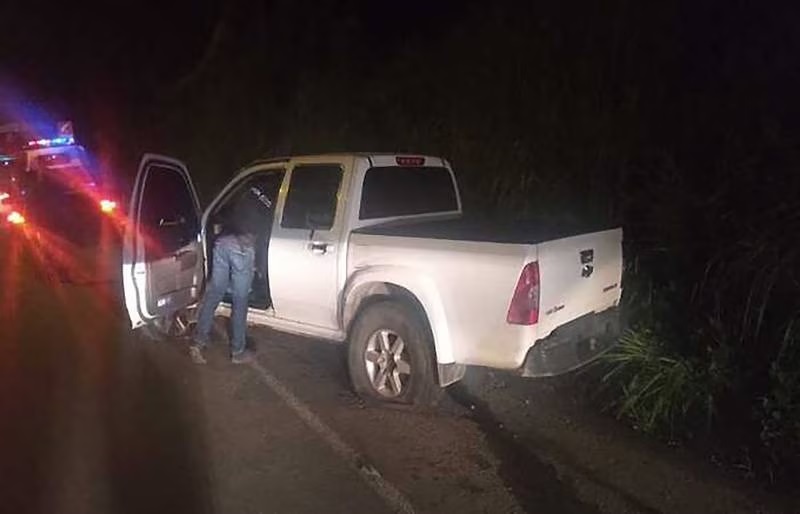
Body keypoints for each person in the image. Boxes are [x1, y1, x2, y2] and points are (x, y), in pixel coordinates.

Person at [190, 187, 267, 364]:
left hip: (223, 242)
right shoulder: (271, 198)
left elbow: (227, 212)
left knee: (214, 293)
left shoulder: (248, 190)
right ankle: (238, 351)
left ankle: (198, 341)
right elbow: (263, 231)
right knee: (240, 301)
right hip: (242, 246)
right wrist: (259, 263)